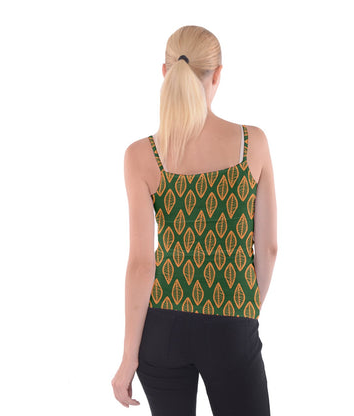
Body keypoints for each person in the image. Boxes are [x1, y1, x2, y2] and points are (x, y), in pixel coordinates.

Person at [111, 25, 277, 416]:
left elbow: (141, 264)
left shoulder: (141, 155)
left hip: (162, 329)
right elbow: (268, 247)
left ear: (165, 72)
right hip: (231, 322)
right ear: (217, 74)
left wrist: (128, 357)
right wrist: (242, 312)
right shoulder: (252, 143)